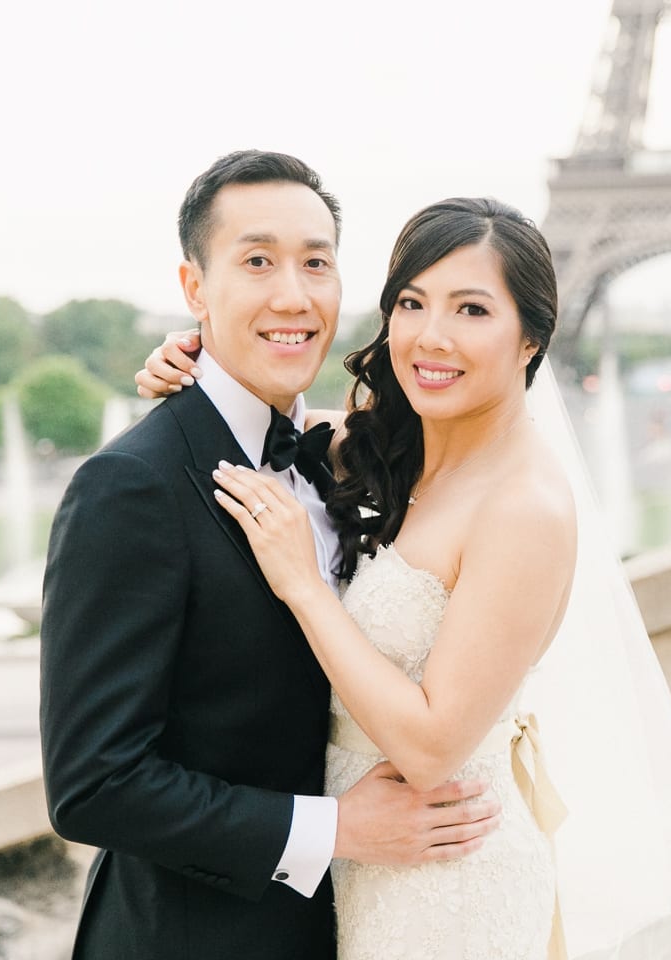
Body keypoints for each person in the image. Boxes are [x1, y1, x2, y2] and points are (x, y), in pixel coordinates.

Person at [139, 196, 671, 958]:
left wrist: (304, 587)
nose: (432, 336)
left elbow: (429, 748)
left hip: (448, 886)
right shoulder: (385, 448)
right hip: (361, 867)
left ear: (532, 339)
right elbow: (261, 430)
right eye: (411, 304)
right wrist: (191, 364)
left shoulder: (527, 507)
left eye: (472, 309)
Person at [40, 151, 502, 960]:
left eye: (315, 263)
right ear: (194, 289)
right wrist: (338, 828)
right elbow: (94, 784)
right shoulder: (130, 487)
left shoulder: (335, 460)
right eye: (257, 261)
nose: (294, 294)